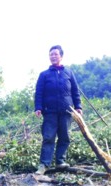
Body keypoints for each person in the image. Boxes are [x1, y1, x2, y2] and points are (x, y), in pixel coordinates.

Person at [34, 45, 82, 175]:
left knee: (64, 136)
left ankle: (60, 161)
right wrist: (38, 107)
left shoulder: (69, 73)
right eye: (51, 54)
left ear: (61, 56)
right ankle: (44, 165)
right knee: (48, 137)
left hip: (66, 110)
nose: (53, 56)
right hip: (49, 111)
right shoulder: (44, 75)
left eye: (55, 54)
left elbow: (75, 91)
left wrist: (78, 106)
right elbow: (39, 93)